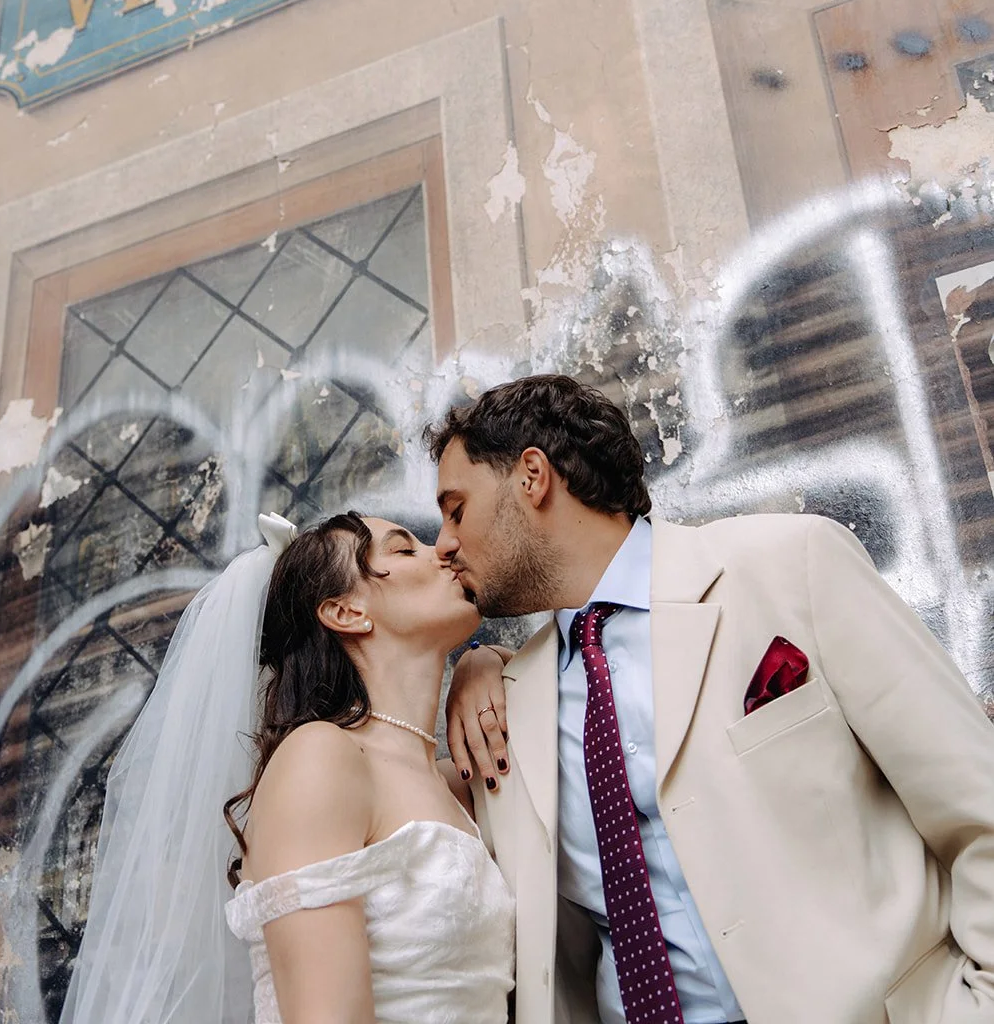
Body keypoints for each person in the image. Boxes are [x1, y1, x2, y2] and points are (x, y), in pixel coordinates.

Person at [428, 373, 994, 1024]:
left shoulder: (789, 566)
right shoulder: (505, 703)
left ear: (532, 476)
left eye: (456, 509)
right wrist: (477, 663)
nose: (442, 544)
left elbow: (975, 805)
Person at [59, 509, 514, 1024]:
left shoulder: (458, 784)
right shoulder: (320, 758)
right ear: (345, 612)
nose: (444, 551)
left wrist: (486, 661)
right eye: (406, 550)